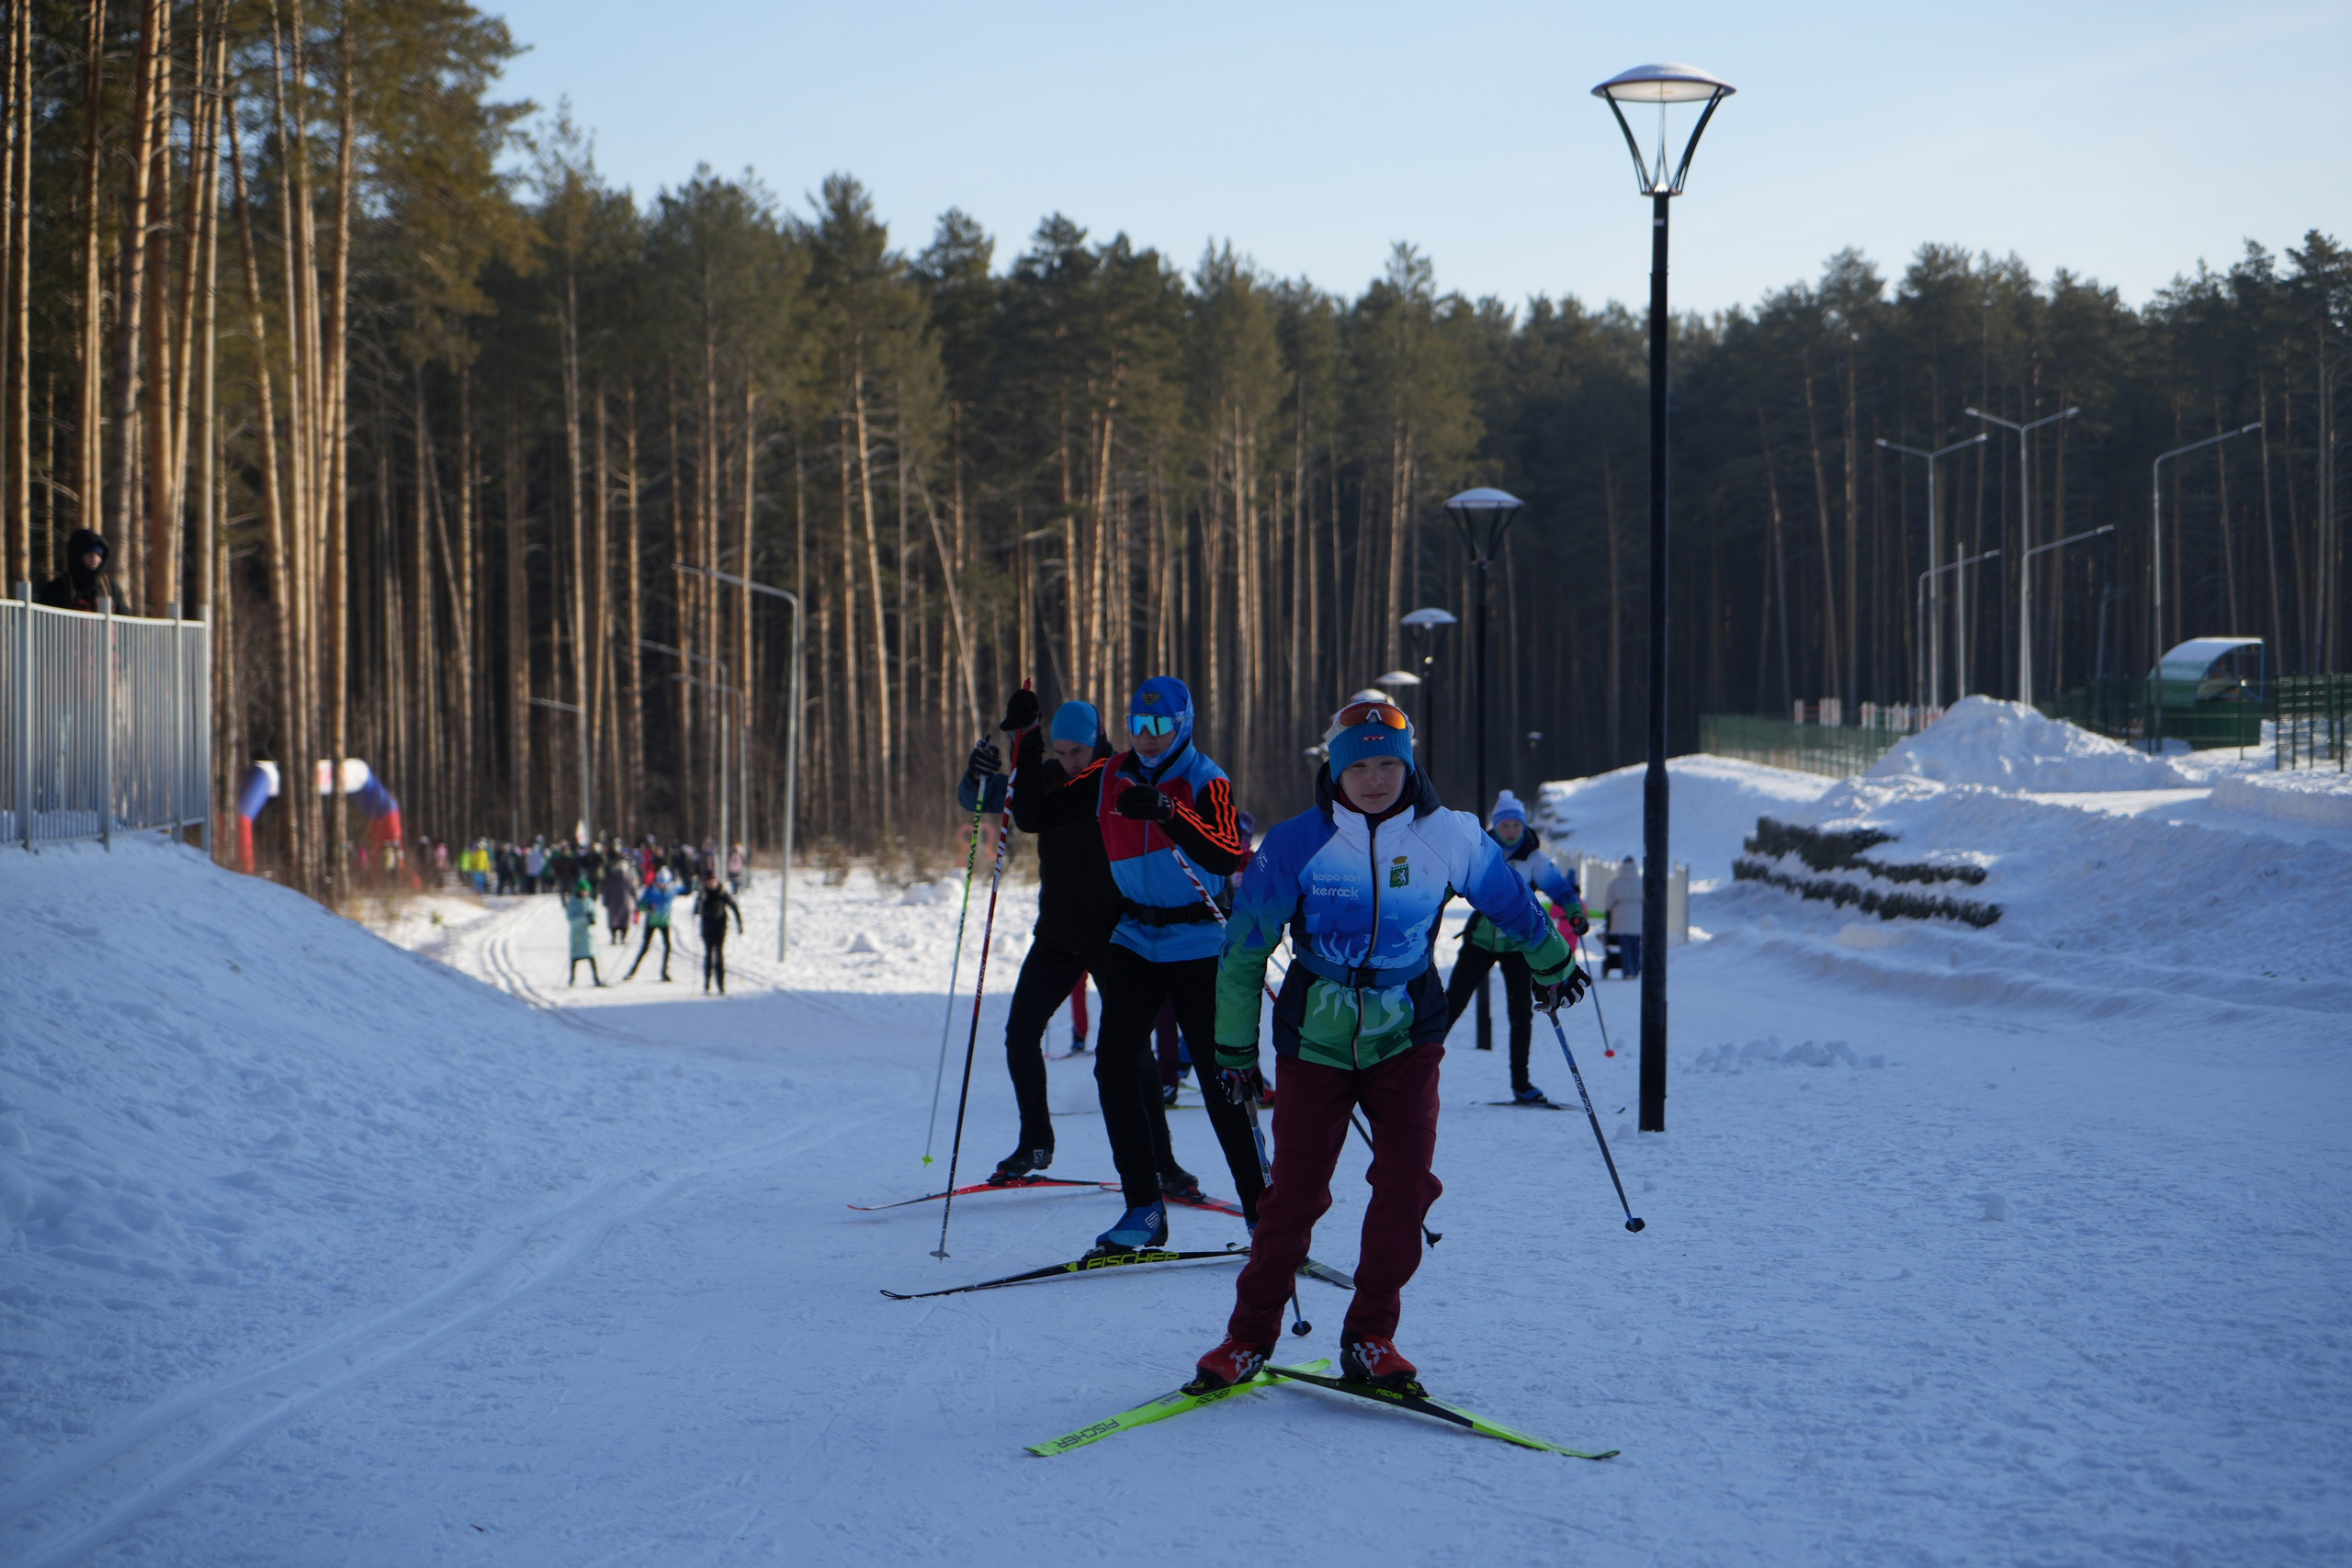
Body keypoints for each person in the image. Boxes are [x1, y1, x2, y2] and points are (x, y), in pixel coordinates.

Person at [1188, 698, 1588, 1393]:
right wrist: (1233, 1052)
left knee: (1406, 1186)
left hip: (1406, 1031)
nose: (1374, 779)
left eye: (1387, 764)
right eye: (1359, 765)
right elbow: (1244, 949)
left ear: (1408, 765)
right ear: (1334, 770)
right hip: (1314, 1034)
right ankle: (1248, 1337)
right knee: (1293, 1196)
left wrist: (1554, 961)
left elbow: (1511, 902)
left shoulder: (1450, 834)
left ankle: (1371, 1335)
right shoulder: (1294, 843)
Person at [1013, 675, 1264, 1253]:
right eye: (1138, 726)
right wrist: (1027, 740)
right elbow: (1032, 815)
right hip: (1134, 937)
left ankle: (1262, 1213)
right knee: (1114, 1067)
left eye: (1161, 726)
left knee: (1220, 1078)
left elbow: (1227, 853)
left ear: (1184, 725)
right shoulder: (1108, 775)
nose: (1148, 739)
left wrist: (1170, 812)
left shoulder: (1207, 778)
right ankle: (1144, 1209)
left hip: (1199, 941)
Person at [971, 694, 1165, 1183]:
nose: (1067, 761)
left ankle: (1163, 1161)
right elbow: (985, 799)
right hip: (1058, 933)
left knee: (1133, 1049)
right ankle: (1034, 1142)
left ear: (1098, 742)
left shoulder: (1119, 779)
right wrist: (977, 774)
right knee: (1020, 1034)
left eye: (1077, 751)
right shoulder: (1048, 782)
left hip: (1113, 935)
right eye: (1059, 752)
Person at [1443, 789, 1585, 1104]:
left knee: (1520, 1013)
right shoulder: (1482, 850)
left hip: (1519, 948)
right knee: (1452, 1004)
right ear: (1497, 825)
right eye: (1505, 825)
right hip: (1479, 940)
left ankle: (1521, 1083)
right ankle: (1416, 1072)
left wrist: (1574, 912)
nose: (1511, 831)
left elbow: (1559, 887)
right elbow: (1450, 883)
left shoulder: (1534, 857)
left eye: (1516, 825)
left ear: (1524, 826)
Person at [35, 528, 114, 612]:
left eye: (99, 555)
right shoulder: (57, 589)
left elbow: (125, 619)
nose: (95, 560)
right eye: (89, 554)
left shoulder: (109, 587)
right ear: (77, 555)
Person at [695, 868, 743, 995]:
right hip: (707, 929)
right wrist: (700, 902)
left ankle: (721, 985)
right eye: (709, 881)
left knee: (719, 957)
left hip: (720, 928)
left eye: (713, 880)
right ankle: (707, 984)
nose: (711, 883)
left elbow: (734, 906)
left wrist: (739, 923)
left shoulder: (722, 893)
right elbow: (696, 911)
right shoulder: (703, 894)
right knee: (708, 956)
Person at [626, 867, 677, 981]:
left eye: (664, 882)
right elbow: (639, 905)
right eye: (660, 882)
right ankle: (633, 970)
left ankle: (664, 971)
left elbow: (685, 890)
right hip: (652, 921)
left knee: (668, 946)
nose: (662, 884)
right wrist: (647, 907)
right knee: (645, 947)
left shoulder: (671, 890)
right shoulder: (650, 890)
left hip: (664, 922)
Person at [1605, 856, 1643, 980]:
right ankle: (1636, 969)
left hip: (1620, 916)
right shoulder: (1640, 882)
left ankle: (1628, 971)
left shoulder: (1615, 883)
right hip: (1637, 916)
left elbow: (1608, 903)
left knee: (1625, 946)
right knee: (1636, 946)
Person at [563, 880, 605, 987]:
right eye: (583, 891)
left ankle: (596, 979)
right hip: (577, 935)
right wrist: (584, 918)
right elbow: (571, 919)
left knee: (592, 956)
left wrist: (593, 919)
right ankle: (572, 979)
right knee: (575, 958)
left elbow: (594, 914)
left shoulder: (589, 902)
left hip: (587, 935)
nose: (585, 893)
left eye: (586, 891)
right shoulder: (573, 903)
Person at [600, 857, 638, 945]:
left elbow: (607, 890)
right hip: (625, 902)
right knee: (625, 920)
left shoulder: (611, 878)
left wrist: (605, 901)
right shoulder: (629, 878)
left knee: (613, 920)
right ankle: (623, 937)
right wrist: (636, 899)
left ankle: (613, 937)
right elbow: (633, 890)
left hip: (613, 903)